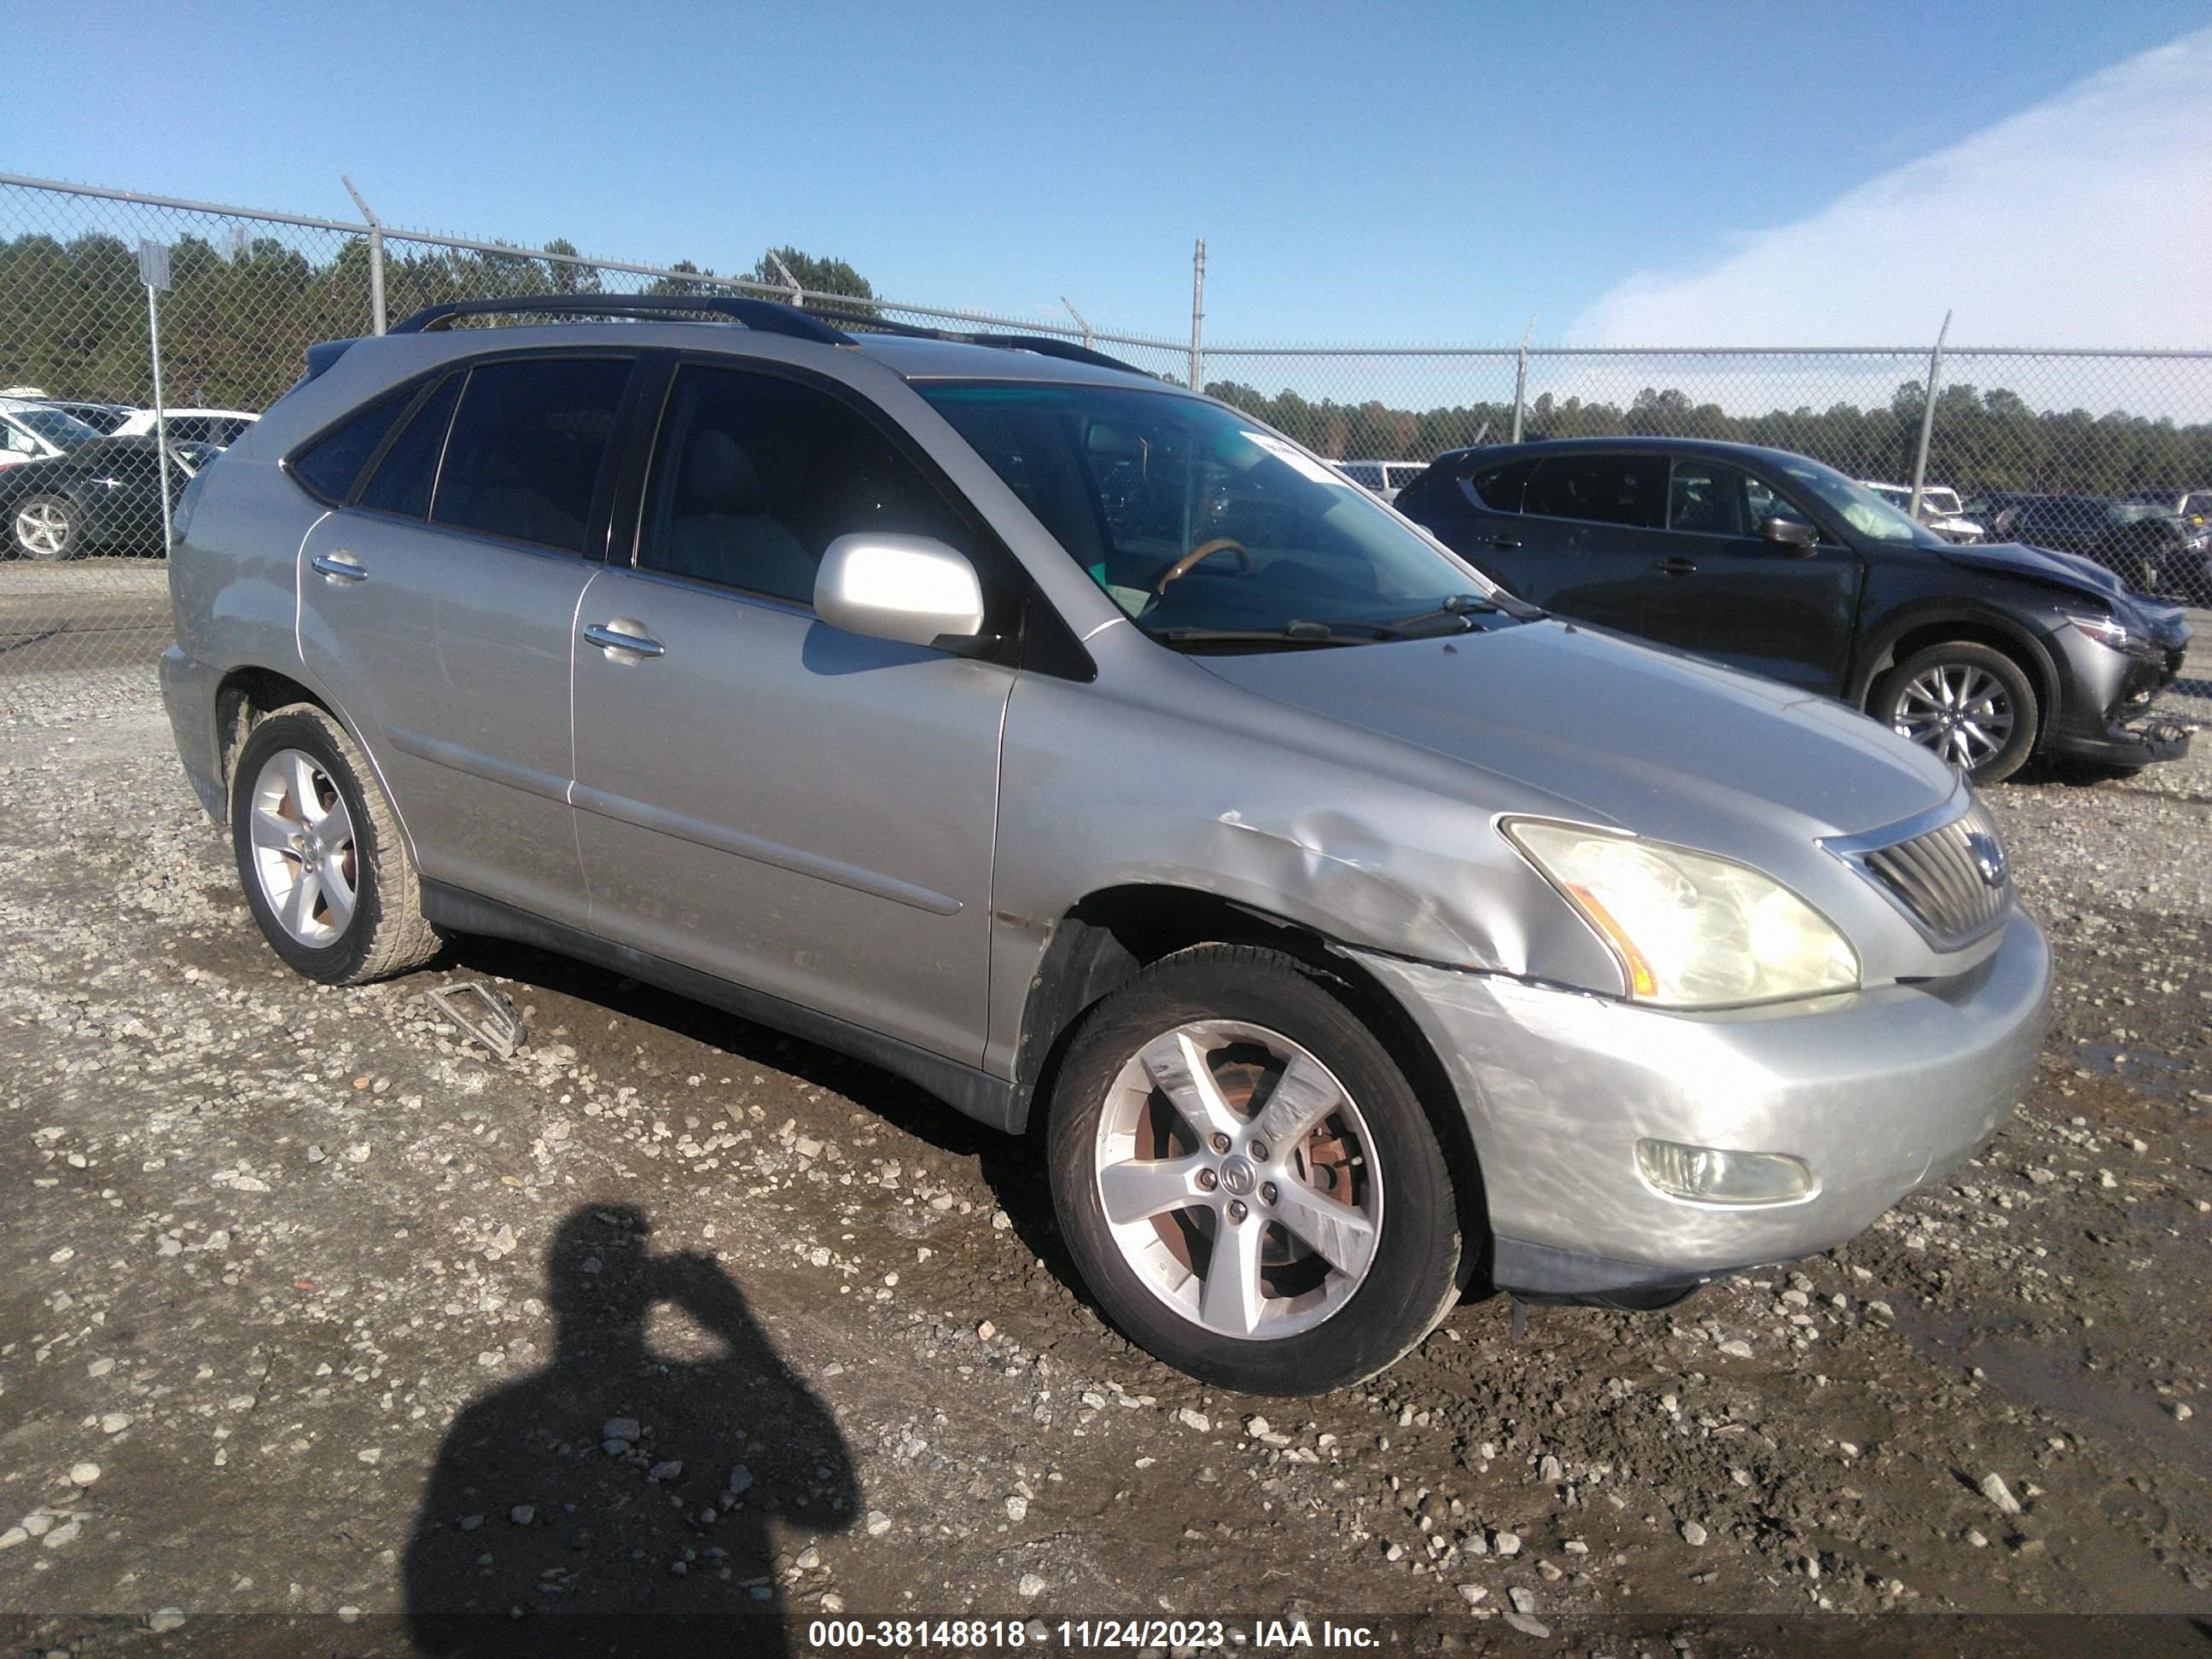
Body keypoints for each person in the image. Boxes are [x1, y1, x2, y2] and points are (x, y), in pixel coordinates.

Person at [405, 1204, 856, 1656]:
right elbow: (830, 1510)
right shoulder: (496, 1415)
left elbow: (432, 1573)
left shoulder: (491, 1416)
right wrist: (746, 1337)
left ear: (557, 1296)